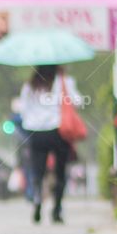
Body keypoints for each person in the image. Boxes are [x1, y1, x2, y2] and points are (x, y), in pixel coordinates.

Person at [16, 64, 85, 224]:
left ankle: (37, 200)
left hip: (35, 132)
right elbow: (78, 102)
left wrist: (34, 118)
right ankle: (57, 209)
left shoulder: (29, 86)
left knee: (37, 171)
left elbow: (22, 109)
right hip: (57, 131)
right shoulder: (64, 82)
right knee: (60, 171)